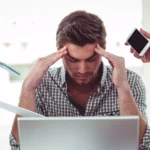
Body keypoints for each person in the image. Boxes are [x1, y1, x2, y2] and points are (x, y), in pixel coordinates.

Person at [10, 10, 150, 150]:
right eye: (73, 60)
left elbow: (143, 146)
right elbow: (18, 146)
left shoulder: (130, 81)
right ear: (59, 51)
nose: (82, 70)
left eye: (91, 59)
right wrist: (28, 87)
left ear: (103, 50)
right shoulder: (41, 84)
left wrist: (123, 87)